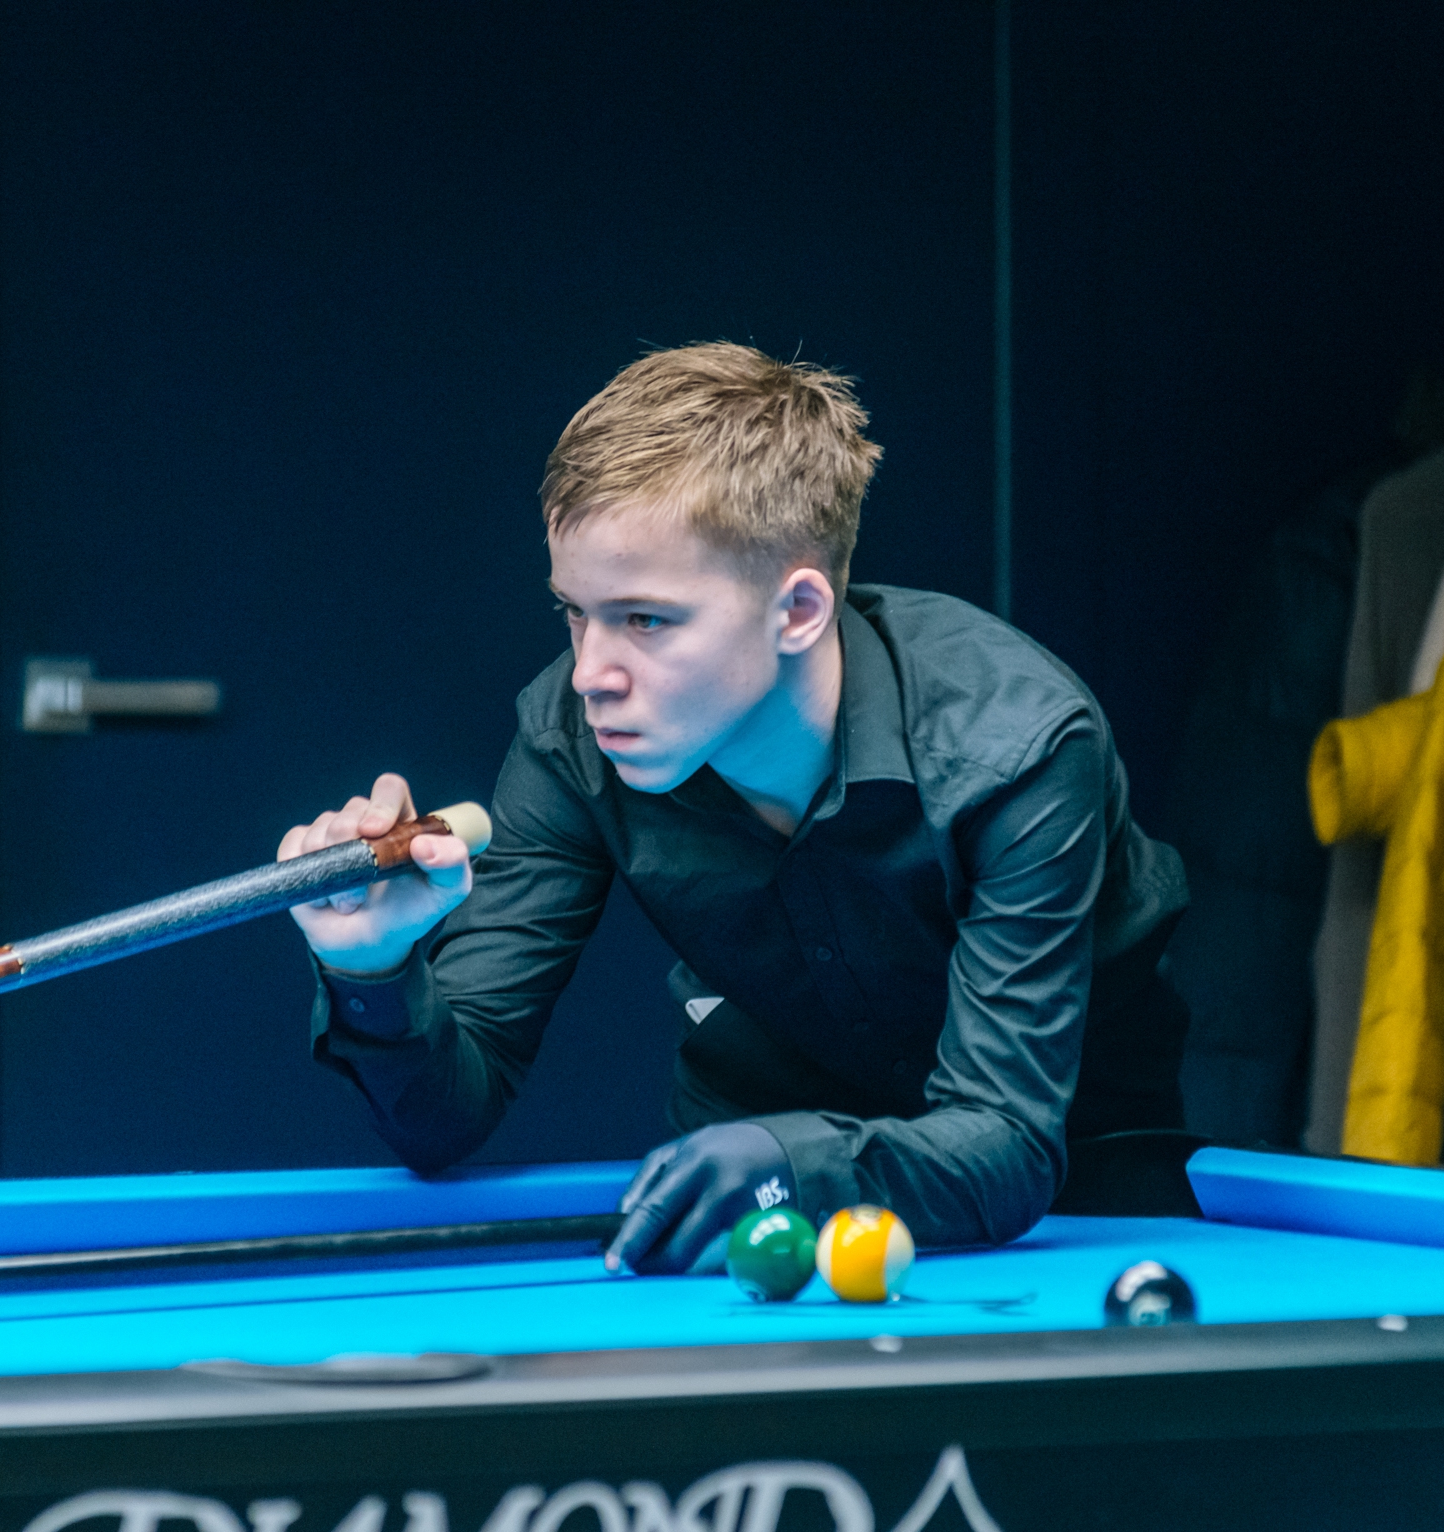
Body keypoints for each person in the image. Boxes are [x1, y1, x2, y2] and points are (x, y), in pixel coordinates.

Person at [278, 342, 1188, 1274]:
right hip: (748, 1185)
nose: (591, 674)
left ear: (797, 611)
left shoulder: (1016, 747)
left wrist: (792, 1161)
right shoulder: (571, 740)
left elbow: (1008, 1140)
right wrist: (376, 966)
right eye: (575, 612)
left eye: (645, 619)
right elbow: (444, 1121)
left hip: (1078, 1202)